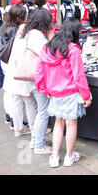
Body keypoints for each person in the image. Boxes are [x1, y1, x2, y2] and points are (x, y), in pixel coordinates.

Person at [35, 18, 92, 168]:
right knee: (71, 124)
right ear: (74, 32)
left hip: (55, 93)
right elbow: (79, 75)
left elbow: (39, 72)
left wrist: (44, 89)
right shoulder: (73, 49)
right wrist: (86, 95)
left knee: (58, 124)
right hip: (71, 93)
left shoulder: (47, 47)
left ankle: (54, 157)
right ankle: (68, 157)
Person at [20, 8, 55, 154]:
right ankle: (39, 145)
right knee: (43, 111)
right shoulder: (36, 35)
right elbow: (48, 53)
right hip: (38, 79)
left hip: (33, 78)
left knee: (40, 110)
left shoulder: (30, 33)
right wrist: (52, 38)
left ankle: (35, 140)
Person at [0, 4, 27, 130]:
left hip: (3, 59)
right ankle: (15, 121)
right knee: (14, 93)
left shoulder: (4, 25)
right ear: (20, 17)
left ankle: (8, 116)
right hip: (12, 60)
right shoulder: (17, 29)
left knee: (8, 90)